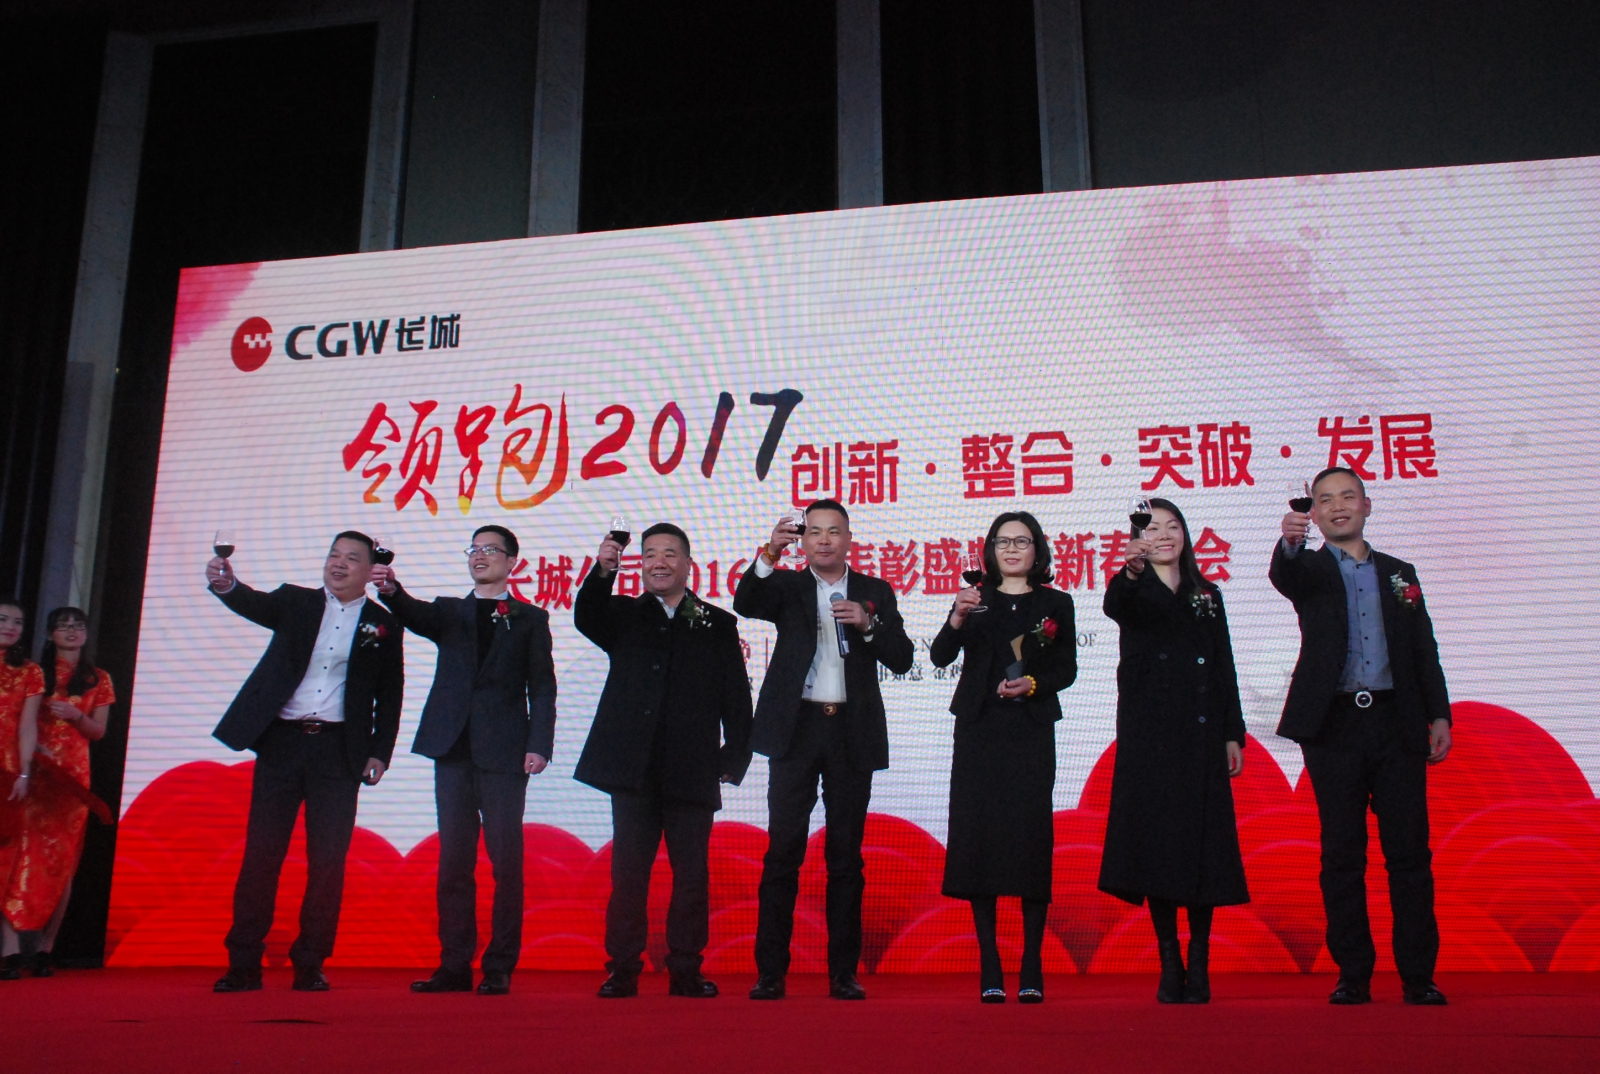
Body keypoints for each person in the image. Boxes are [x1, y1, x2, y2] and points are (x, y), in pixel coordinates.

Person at [1273, 467, 1451, 1006]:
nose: (1338, 506)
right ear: (1315, 513)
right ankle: (1352, 974)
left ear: (1367, 505)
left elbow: (1423, 648)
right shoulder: (1309, 569)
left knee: (1409, 854)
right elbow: (1285, 574)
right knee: (1342, 854)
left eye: (1348, 496)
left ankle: (1418, 976)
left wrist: (1439, 715)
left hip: (1397, 722)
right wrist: (1289, 543)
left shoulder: (1400, 573)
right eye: (1325, 500)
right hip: (1334, 725)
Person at [734, 499, 914, 1000]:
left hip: (850, 732)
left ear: (849, 539)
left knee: (846, 858)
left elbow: (903, 658)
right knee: (782, 853)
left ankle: (843, 973)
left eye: (834, 531)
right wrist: (770, 552)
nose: (824, 540)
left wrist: (868, 626)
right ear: (804, 541)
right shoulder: (787, 587)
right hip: (796, 729)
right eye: (814, 532)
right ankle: (771, 972)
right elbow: (746, 601)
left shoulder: (875, 591)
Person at [207, 533, 404, 992]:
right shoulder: (295, 602)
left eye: (351, 558)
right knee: (262, 854)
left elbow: (390, 693)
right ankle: (243, 961)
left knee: (328, 861)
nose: (338, 564)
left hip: (339, 752)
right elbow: (253, 604)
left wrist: (380, 751)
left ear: (369, 570)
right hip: (282, 743)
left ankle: (311, 960)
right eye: (334, 555)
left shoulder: (383, 624)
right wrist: (226, 585)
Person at [373, 524, 556, 996]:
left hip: (504, 754)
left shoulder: (530, 618)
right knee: (454, 861)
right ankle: (454, 964)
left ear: (512, 562)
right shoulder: (449, 612)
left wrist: (539, 744)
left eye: (490, 549)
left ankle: (499, 966)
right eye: (474, 549)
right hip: (451, 748)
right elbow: (412, 612)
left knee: (505, 862)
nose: (479, 555)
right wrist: (391, 590)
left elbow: (542, 687)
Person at [573, 522, 753, 999]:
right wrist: (602, 571)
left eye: (670, 554)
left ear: (688, 564)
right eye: (650, 553)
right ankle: (622, 968)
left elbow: (736, 696)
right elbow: (586, 615)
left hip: (692, 766)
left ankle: (686, 968)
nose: (659, 562)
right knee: (629, 874)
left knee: (691, 875)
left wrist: (735, 753)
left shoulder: (717, 623)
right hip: (632, 767)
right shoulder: (622, 615)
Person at [1098, 499, 1249, 1004]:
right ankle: (1170, 960)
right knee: (1159, 848)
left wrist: (1232, 732)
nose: (1164, 535)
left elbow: (1224, 664)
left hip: (1202, 735)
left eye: (1173, 526)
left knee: (1202, 849)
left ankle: (1200, 960)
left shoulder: (1207, 593)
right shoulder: (1131, 588)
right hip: (1151, 739)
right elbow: (1116, 605)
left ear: (1186, 534)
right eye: (1152, 528)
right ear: (1137, 539)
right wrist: (1131, 570)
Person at [929, 512, 1077, 1004]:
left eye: (1022, 541)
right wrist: (956, 616)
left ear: (1038, 550)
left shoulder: (1056, 603)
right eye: (1002, 541)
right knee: (980, 841)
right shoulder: (975, 599)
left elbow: (1067, 668)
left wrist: (1033, 683)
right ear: (990, 551)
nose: (1012, 549)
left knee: (1030, 839)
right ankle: (990, 963)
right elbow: (940, 656)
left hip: (1030, 732)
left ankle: (1032, 963)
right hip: (979, 731)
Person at [2, 608, 113, 977]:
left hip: (72, 781)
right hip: (33, 773)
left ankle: (45, 948)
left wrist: (76, 715)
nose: (71, 632)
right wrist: (32, 754)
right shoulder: (34, 672)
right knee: (19, 854)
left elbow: (99, 732)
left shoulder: (99, 678)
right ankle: (11, 949)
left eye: (78, 626)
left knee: (61, 862)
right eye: (63, 627)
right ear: (50, 635)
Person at [0, 599, 44, 980]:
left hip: (7, 770)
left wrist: (25, 772)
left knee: (6, 859)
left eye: (18, 621)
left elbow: (28, 726)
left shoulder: (29, 671)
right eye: (2, 619)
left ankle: (9, 947)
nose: (10, 626)